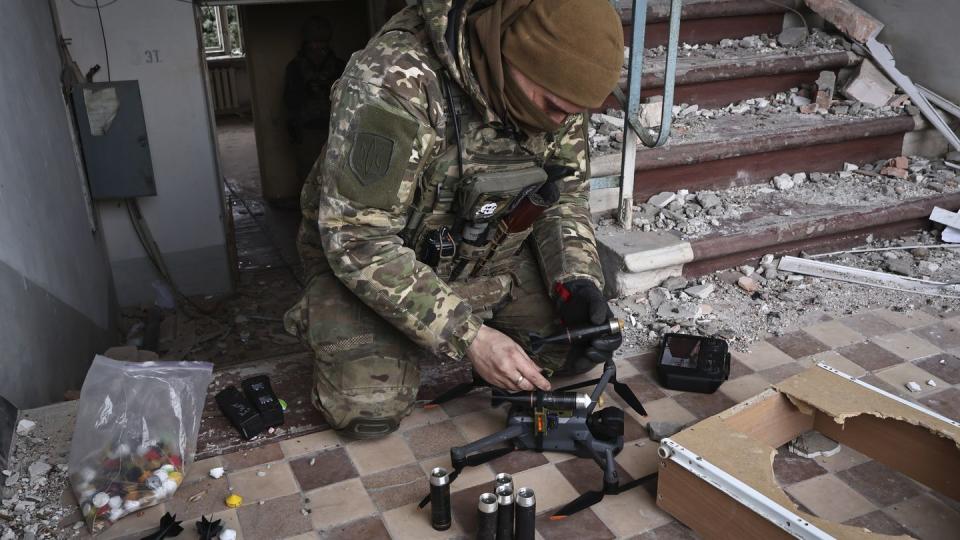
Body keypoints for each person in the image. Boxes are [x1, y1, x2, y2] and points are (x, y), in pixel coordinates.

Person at [284, 0, 625, 439]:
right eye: (553, 107)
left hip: (486, 254)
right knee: (368, 409)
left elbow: (563, 197)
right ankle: (352, 324)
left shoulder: (555, 95)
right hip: (375, 265)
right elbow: (358, 239)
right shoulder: (396, 77)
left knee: (576, 350)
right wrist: (471, 338)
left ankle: (438, 325)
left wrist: (576, 281)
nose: (560, 122)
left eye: (572, 113)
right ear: (511, 56)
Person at [283, 16, 346, 189]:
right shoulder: (295, 68)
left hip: (334, 129)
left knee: (335, 176)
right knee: (308, 177)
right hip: (307, 131)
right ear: (306, 43)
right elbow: (290, 101)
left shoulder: (339, 66)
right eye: (313, 43)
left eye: (321, 42)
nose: (318, 47)